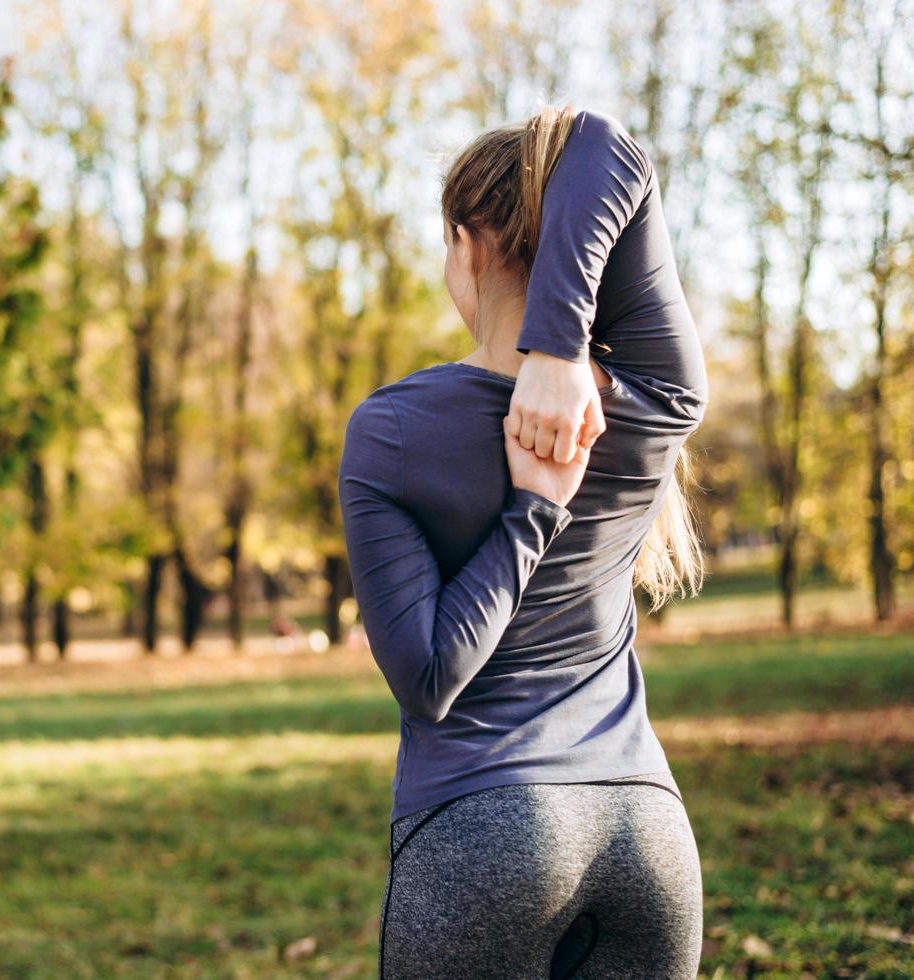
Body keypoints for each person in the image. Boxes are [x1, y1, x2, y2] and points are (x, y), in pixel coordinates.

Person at [337, 104, 709, 979]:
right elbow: (609, 148)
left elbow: (431, 680)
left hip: (482, 835)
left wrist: (533, 507)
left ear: (466, 244)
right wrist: (557, 353)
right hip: (646, 840)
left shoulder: (391, 429)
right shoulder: (659, 396)